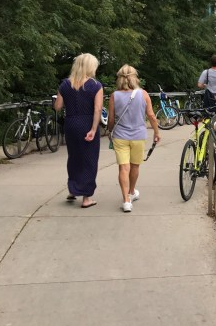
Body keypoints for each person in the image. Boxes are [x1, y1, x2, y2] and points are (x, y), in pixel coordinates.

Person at [108, 65, 161, 213]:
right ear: (135, 77)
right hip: (138, 135)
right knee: (135, 166)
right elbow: (151, 115)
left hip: (120, 136)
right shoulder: (143, 94)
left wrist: (110, 130)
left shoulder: (114, 96)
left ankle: (126, 201)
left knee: (123, 167)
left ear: (119, 78)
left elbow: (111, 119)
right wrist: (156, 132)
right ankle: (131, 192)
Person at [54, 53, 103, 208]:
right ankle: (86, 197)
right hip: (87, 122)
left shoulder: (65, 84)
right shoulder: (95, 85)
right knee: (89, 160)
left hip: (71, 123)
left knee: (74, 157)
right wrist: (94, 129)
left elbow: (57, 107)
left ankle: (73, 189)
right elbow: (97, 109)